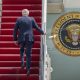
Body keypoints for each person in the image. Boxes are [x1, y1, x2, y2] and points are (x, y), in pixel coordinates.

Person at [13, 9, 45, 75]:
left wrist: (15, 39)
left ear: (22, 13)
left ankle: (22, 62)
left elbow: (15, 30)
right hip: (29, 38)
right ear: (28, 13)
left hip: (21, 38)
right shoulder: (31, 19)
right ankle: (28, 69)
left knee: (21, 50)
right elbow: (36, 27)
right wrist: (42, 32)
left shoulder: (19, 19)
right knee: (28, 54)